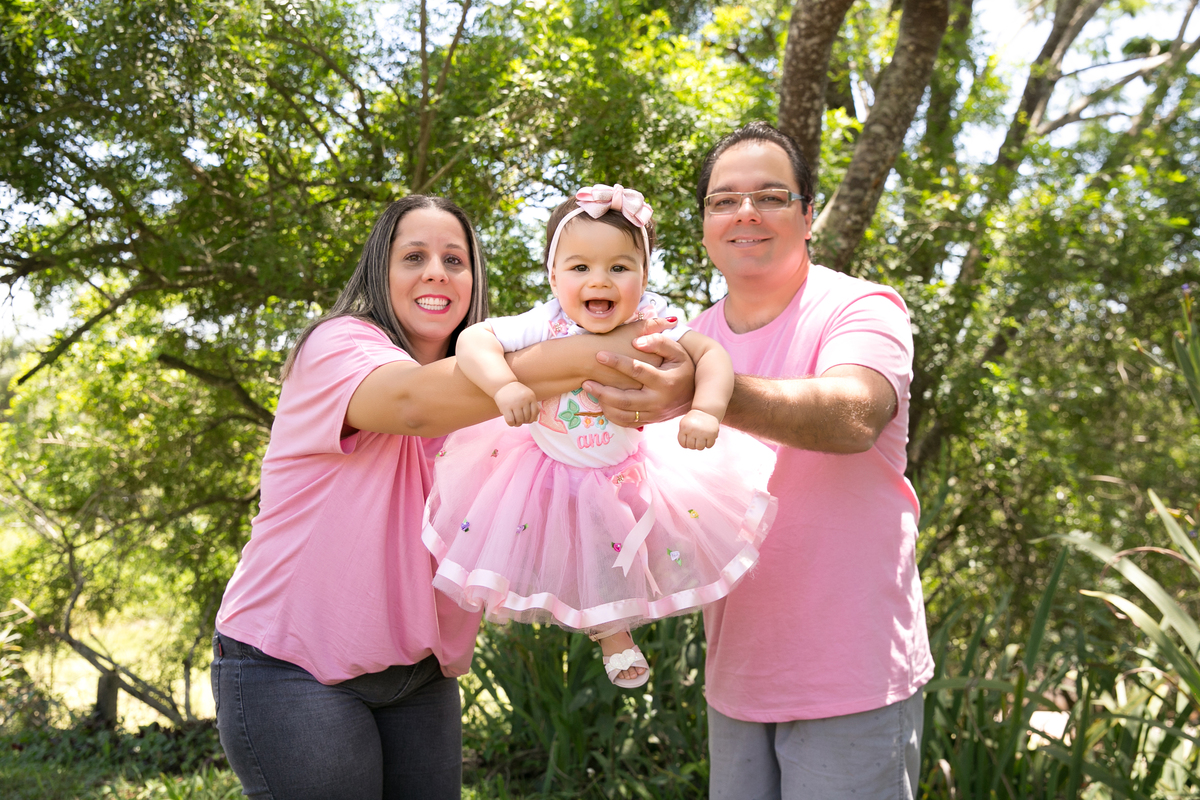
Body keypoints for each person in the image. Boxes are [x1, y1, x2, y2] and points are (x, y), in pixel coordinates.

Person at [210, 195, 684, 799]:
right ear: (381, 272)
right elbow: (414, 403)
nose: (437, 271)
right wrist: (625, 339)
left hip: (420, 674)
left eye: (454, 259)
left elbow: (559, 497)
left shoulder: (509, 389)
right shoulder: (337, 346)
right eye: (414, 256)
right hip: (291, 666)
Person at [585, 123, 932, 798]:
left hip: (851, 676)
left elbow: (856, 413)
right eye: (724, 200)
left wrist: (709, 396)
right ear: (706, 226)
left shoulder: (860, 307)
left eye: (771, 196)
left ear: (807, 214)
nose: (746, 212)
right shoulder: (685, 342)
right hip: (738, 680)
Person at [421, 185, 777, 689]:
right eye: (580, 268)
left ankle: (642, 611)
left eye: (618, 267)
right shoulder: (546, 320)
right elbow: (476, 339)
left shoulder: (653, 319)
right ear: (553, 276)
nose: (600, 280)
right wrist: (504, 384)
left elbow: (712, 356)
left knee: (648, 541)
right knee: (581, 547)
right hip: (548, 468)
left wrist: (706, 409)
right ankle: (612, 635)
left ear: (644, 275)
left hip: (630, 463)